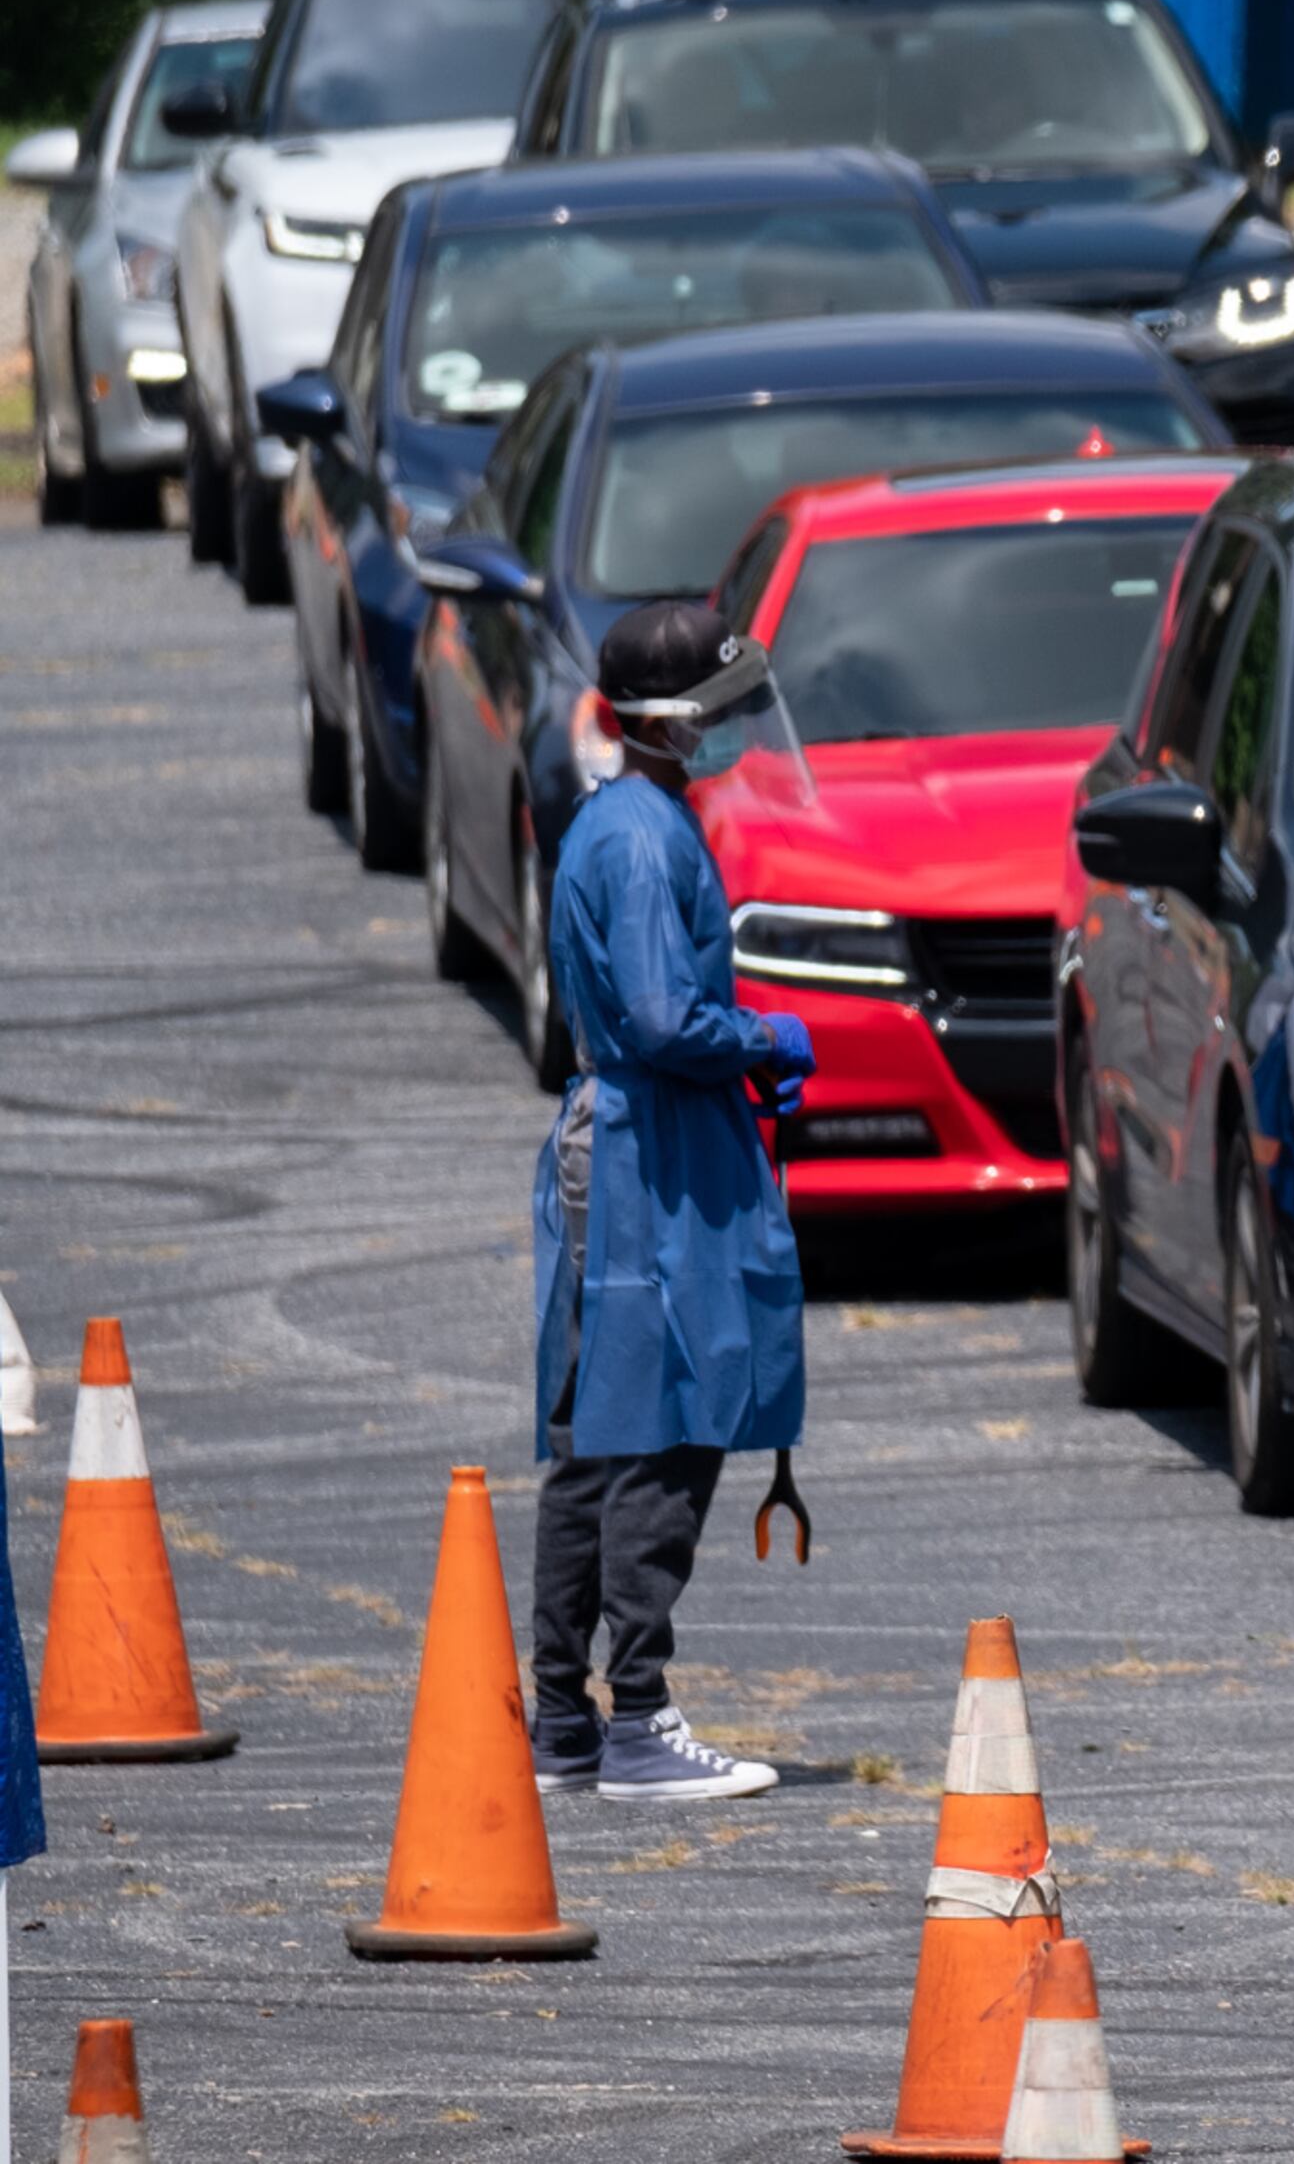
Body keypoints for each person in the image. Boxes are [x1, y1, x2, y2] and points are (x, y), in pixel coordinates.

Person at [527, 600, 815, 1804]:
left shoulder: (624, 817)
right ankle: (635, 1719)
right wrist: (759, 1037)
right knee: (661, 1422)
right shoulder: (643, 840)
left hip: (637, 1138)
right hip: (645, 1151)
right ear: (676, 719)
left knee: (604, 1433)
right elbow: (658, 1016)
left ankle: (562, 1722)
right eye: (718, 704)